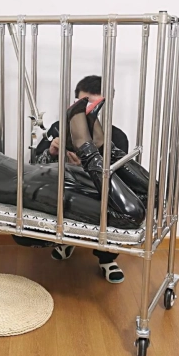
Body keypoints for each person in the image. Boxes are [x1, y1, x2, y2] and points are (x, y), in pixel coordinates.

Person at [0, 97, 152, 284]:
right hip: (53, 174)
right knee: (149, 197)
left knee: (129, 214)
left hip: (43, 190)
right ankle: (103, 144)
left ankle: (84, 142)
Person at [32, 75, 132, 280]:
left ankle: (107, 258)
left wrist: (89, 167)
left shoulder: (116, 137)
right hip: (63, 192)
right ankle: (65, 241)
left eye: (94, 106)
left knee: (116, 208)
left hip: (97, 196)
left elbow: (120, 182)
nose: (87, 112)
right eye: (83, 105)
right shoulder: (59, 128)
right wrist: (51, 152)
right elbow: (34, 168)